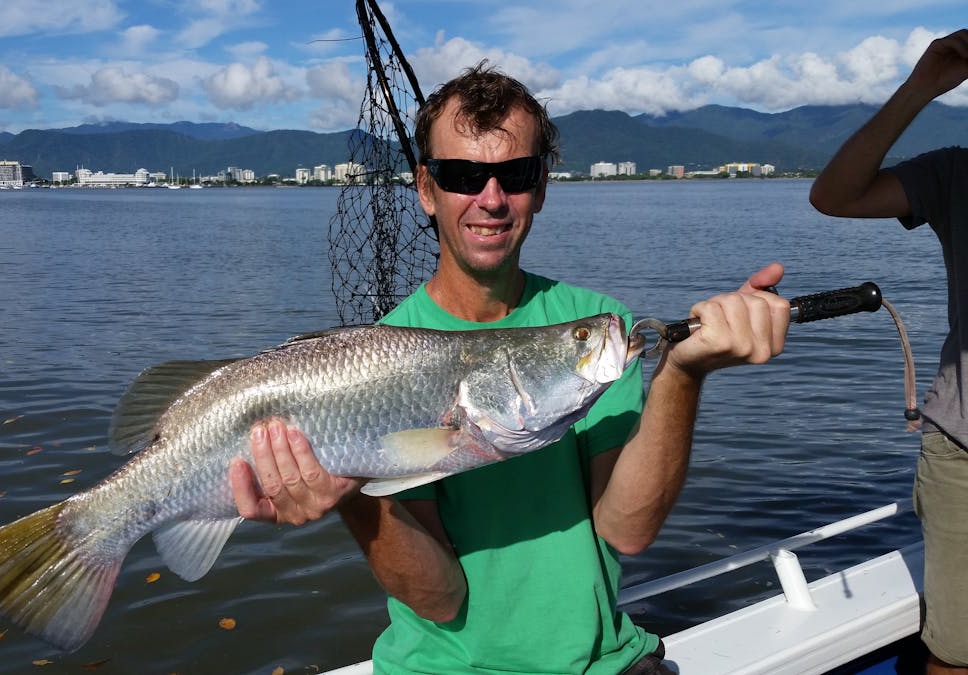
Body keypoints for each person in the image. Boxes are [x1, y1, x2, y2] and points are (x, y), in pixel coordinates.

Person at [230, 62, 791, 674]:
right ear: (425, 188)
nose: (491, 199)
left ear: (541, 187)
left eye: (515, 174)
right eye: (464, 175)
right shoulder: (377, 360)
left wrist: (683, 374)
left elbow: (626, 530)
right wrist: (352, 492)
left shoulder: (597, 322)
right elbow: (440, 599)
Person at [809, 28, 968, 675]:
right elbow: (834, 195)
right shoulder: (957, 173)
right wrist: (922, 86)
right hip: (963, 451)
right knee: (956, 653)